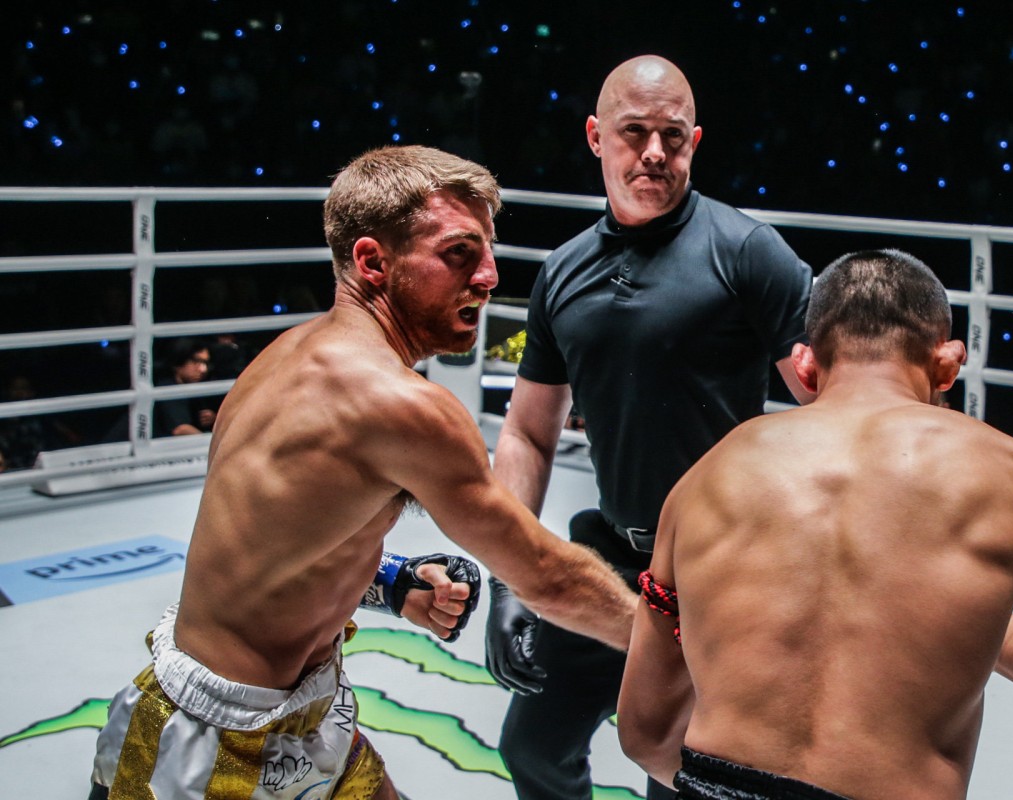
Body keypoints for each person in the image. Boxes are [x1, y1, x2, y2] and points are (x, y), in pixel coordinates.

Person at [89, 145, 638, 800]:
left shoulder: (286, 355)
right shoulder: (401, 406)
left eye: (488, 251)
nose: (490, 276)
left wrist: (391, 584)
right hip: (211, 747)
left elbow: (276, 552)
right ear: (374, 262)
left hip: (306, 710)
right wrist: (681, 646)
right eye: (459, 253)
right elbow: (544, 576)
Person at [617, 249, 1013, 800]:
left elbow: (645, 734)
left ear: (805, 365)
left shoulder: (705, 477)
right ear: (948, 364)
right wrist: (984, 627)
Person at [486, 55, 814, 800]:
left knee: (685, 782)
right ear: (597, 137)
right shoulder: (563, 271)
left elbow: (833, 405)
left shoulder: (746, 251)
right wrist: (512, 578)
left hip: (719, 572)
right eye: (635, 132)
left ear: (694, 141)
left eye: (673, 135)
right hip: (610, 560)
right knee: (532, 749)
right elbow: (528, 433)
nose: (655, 153)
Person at [154, 337, 218, 436]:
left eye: (205, 363)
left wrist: (214, 419)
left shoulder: (198, 388)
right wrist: (209, 442)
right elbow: (181, 429)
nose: (203, 369)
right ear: (178, 362)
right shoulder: (168, 388)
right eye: (196, 361)